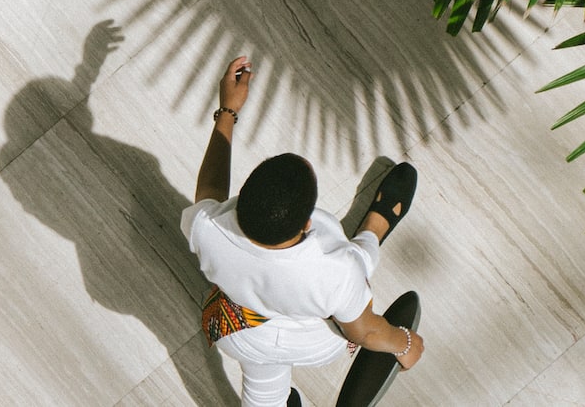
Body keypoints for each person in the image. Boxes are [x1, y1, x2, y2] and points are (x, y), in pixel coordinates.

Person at [181, 55, 426, 407]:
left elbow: (209, 191)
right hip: (312, 341)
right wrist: (404, 345)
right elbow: (365, 330)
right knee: (357, 266)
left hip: (238, 329)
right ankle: (373, 228)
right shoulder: (331, 270)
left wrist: (227, 111)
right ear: (307, 223)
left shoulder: (208, 227)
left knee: (261, 386)